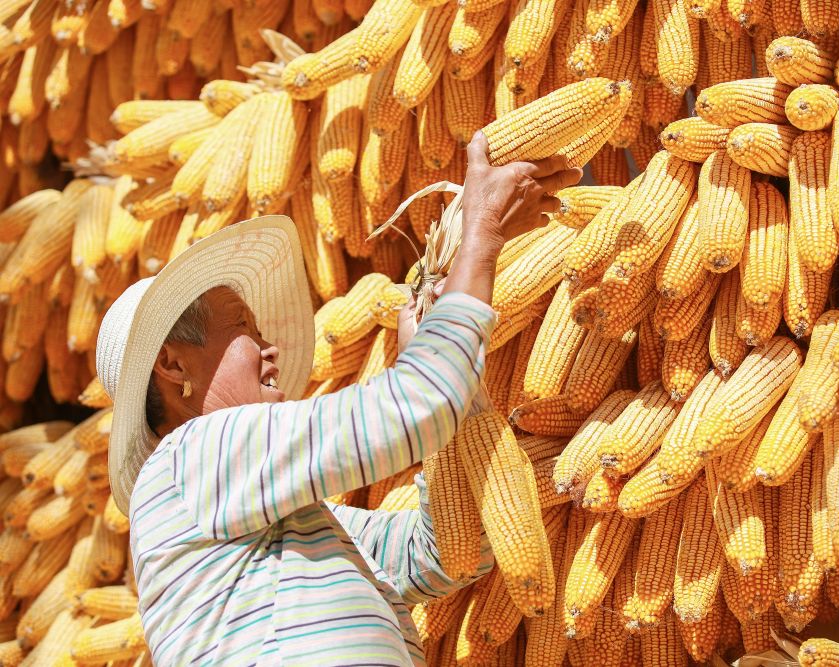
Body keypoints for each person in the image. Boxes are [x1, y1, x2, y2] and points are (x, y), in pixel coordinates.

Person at [95, 132, 583, 666]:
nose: (270, 348)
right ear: (172, 365)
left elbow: (443, 553)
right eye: (243, 329)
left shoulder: (296, 520)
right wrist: (480, 237)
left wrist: (461, 395)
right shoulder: (189, 460)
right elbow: (414, 408)